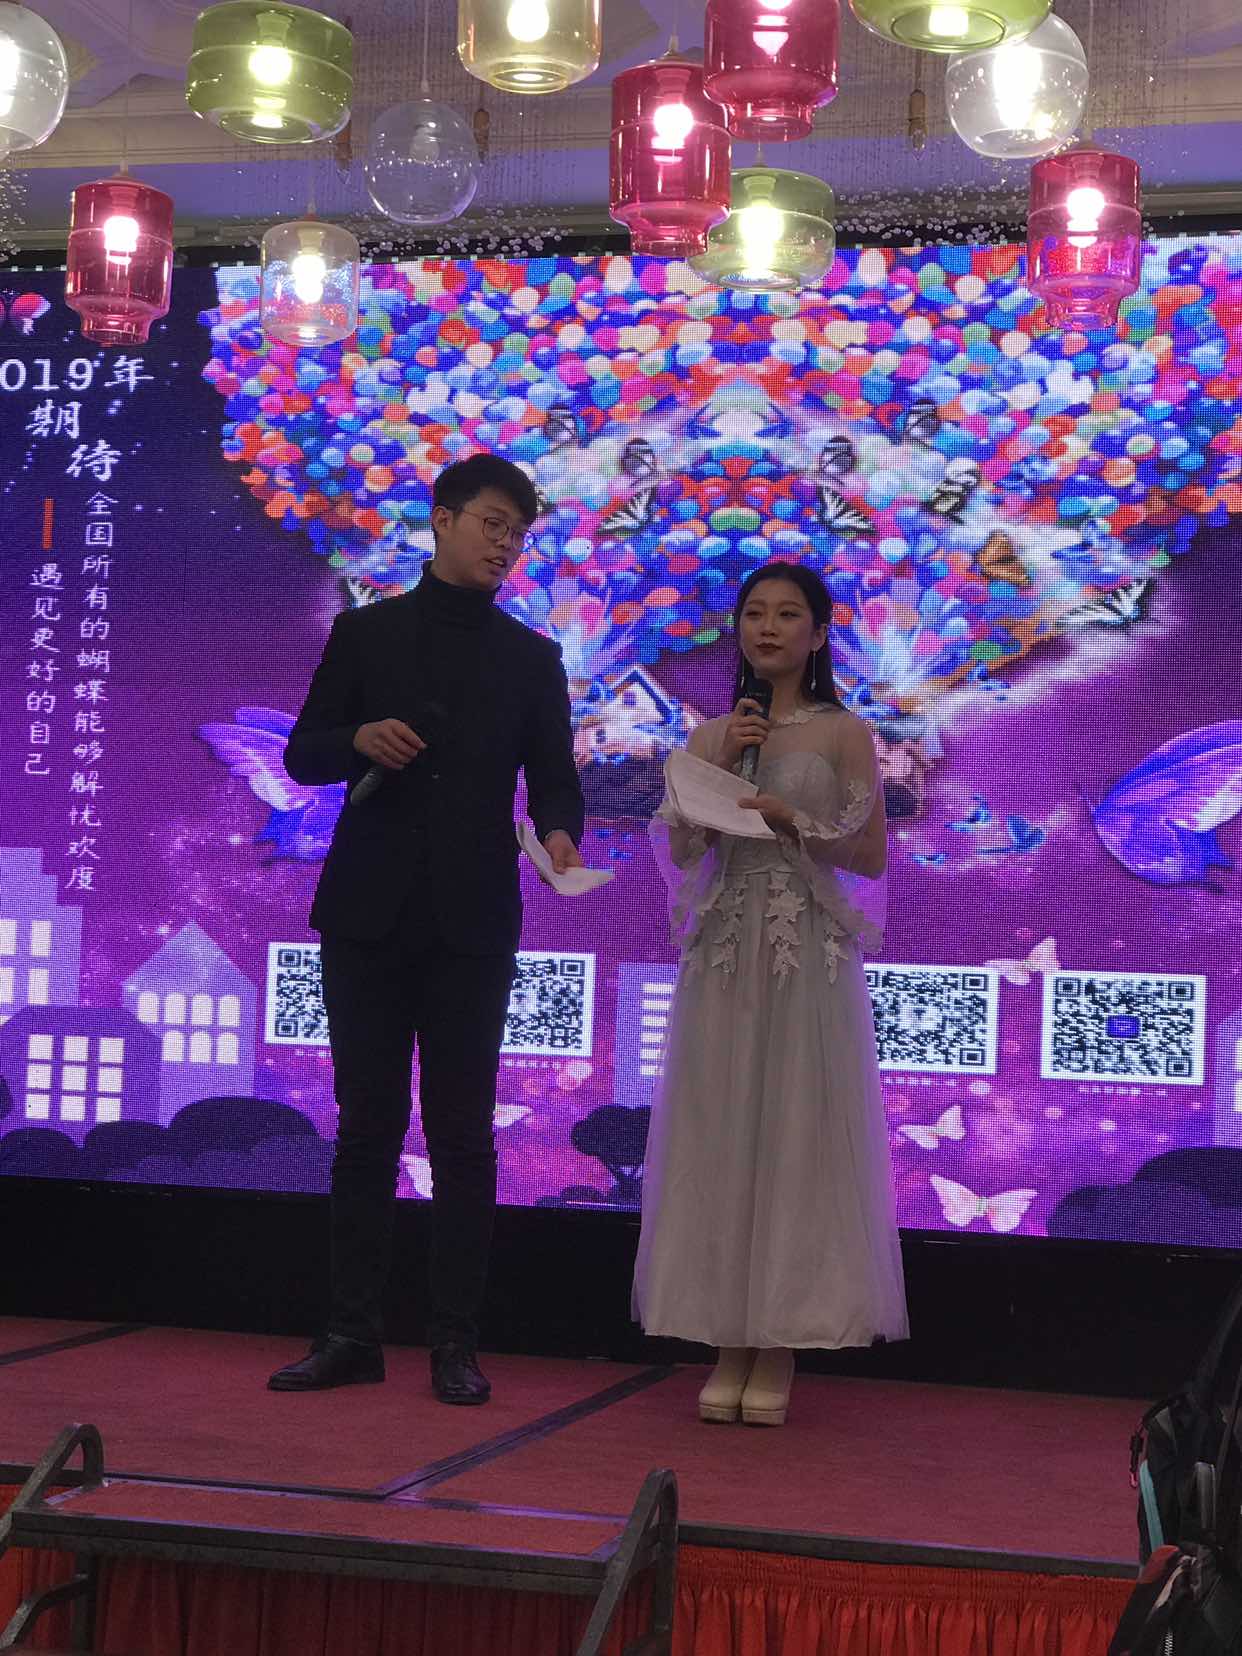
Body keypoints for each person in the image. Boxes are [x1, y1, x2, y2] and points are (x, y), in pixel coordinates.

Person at [268, 454, 585, 1406]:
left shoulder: (531, 658)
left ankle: (455, 1343)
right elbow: (303, 753)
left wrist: (561, 835)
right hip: (366, 915)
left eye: (517, 534)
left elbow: (556, 781)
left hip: (473, 921)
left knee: (462, 1135)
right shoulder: (365, 633)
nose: (505, 544)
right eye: (492, 523)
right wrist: (358, 740)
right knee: (366, 1129)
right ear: (442, 520)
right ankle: (350, 1336)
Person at [633, 561, 908, 1427]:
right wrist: (713, 767)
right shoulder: (714, 732)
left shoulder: (844, 732)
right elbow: (681, 852)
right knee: (720, 1130)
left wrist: (797, 823)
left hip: (805, 953)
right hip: (724, 949)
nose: (769, 627)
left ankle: (780, 1340)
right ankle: (726, 1340)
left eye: (789, 614)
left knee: (794, 1129)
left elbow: (871, 857)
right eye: (755, 613)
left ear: (819, 634)